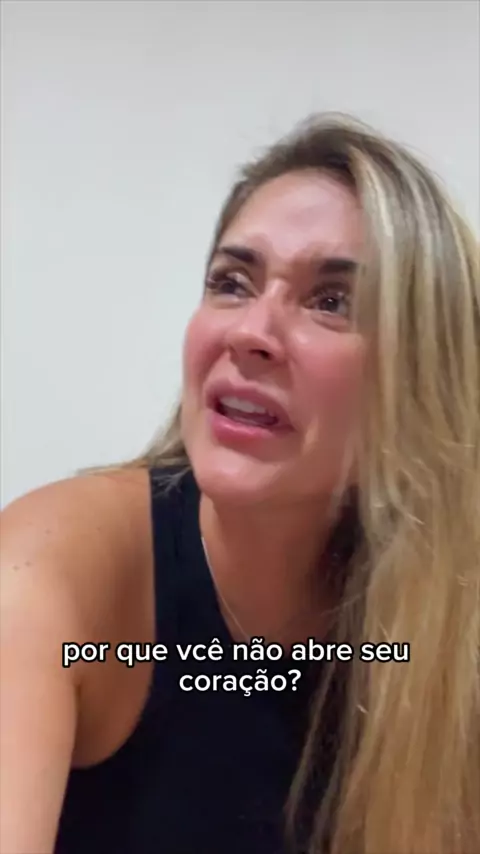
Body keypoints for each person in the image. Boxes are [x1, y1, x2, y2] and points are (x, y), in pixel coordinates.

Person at [1, 113, 479, 854]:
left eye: (331, 301)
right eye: (232, 282)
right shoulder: (49, 571)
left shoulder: (445, 622)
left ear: (421, 375)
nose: (251, 331)